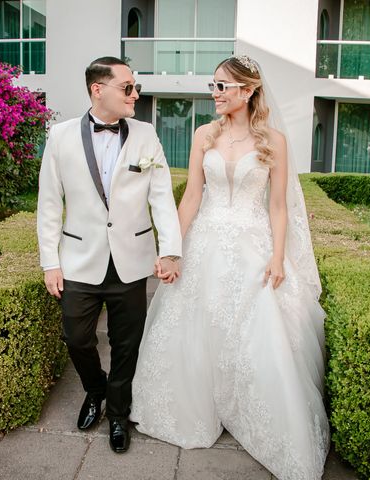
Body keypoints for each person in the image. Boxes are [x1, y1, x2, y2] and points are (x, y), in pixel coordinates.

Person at [130, 55, 330, 479]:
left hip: (253, 246)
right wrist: (172, 250)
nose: (215, 94)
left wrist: (277, 257)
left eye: (223, 86)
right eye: (213, 85)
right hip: (205, 243)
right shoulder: (204, 135)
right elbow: (191, 199)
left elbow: (278, 207)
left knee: (257, 330)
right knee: (197, 326)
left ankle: (250, 413)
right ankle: (200, 406)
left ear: (248, 89)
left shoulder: (273, 140)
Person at [36, 56, 182, 454]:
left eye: (136, 87)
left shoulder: (146, 134)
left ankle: (118, 413)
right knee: (76, 335)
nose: (136, 94)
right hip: (79, 259)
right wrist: (50, 261)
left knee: (126, 343)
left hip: (131, 259)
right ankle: (94, 389)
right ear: (98, 90)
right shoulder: (60, 136)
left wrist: (170, 251)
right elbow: (49, 204)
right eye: (128, 87)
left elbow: (162, 198)